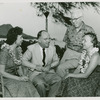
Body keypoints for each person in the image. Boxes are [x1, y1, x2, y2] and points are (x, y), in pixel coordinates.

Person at [56, 32, 100, 97]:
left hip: (93, 78)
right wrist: (70, 76)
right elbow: (79, 68)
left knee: (73, 87)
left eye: (85, 41)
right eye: (82, 40)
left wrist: (70, 74)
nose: (82, 42)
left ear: (92, 43)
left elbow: (86, 75)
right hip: (85, 75)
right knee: (68, 80)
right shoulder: (84, 53)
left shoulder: (95, 55)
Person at [0, 27, 40, 97]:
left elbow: (18, 66)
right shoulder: (4, 51)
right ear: (14, 39)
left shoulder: (18, 49)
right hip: (4, 79)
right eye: (21, 37)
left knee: (28, 84)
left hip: (15, 77)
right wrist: (19, 78)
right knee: (22, 87)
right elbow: (1, 72)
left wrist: (22, 76)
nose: (22, 39)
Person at [56, 8, 95, 78]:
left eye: (76, 19)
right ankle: (64, 85)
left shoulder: (89, 30)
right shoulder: (69, 28)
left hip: (81, 55)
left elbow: (93, 47)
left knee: (62, 68)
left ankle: (68, 84)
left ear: (81, 18)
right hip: (68, 52)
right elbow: (65, 42)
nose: (73, 21)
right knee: (58, 69)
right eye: (72, 19)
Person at [22, 30, 61, 97]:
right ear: (39, 40)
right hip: (35, 73)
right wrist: (35, 66)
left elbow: (56, 61)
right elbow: (23, 60)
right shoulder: (31, 48)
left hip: (48, 72)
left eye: (49, 38)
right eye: (45, 39)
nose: (48, 41)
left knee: (58, 80)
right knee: (40, 84)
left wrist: (50, 66)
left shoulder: (52, 48)